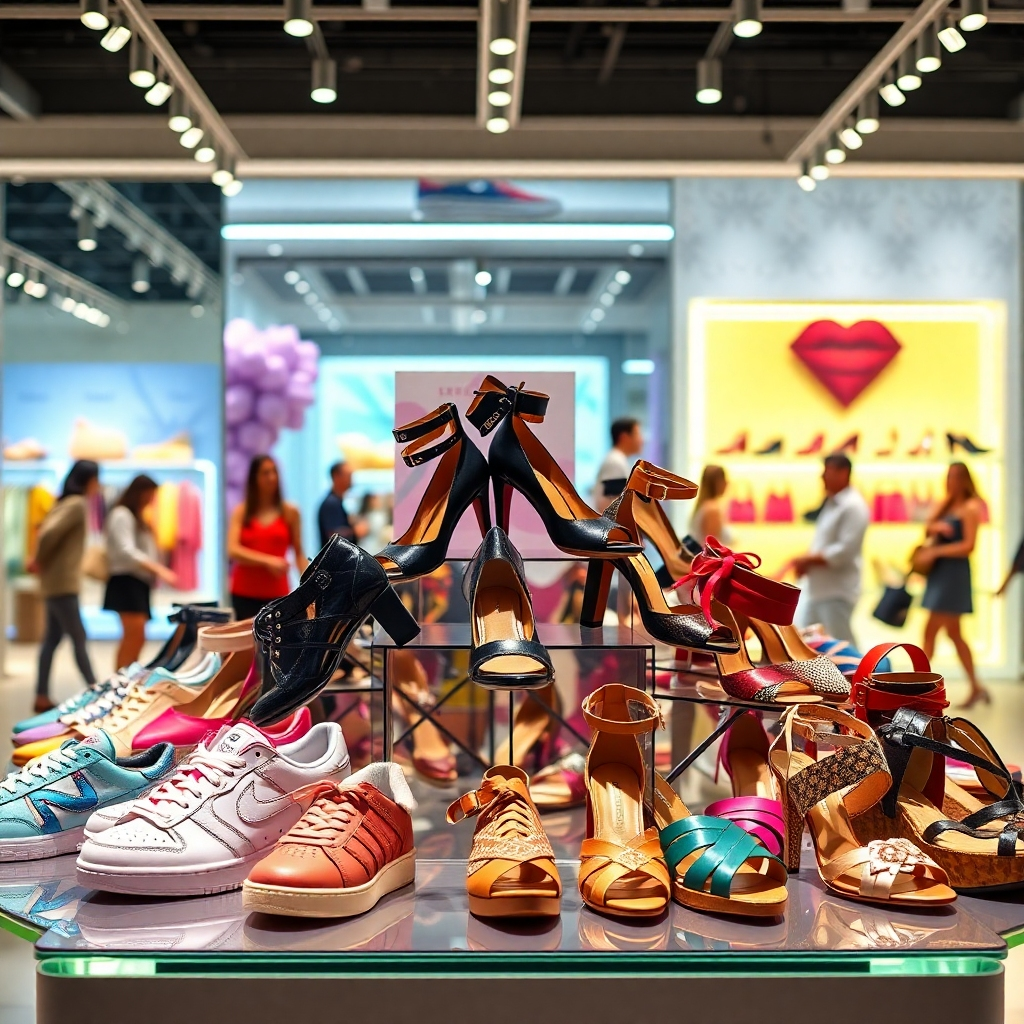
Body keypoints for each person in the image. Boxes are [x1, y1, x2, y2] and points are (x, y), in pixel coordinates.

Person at [29, 460, 100, 712]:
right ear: (89, 480)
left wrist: (40, 560)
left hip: (55, 582)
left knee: (52, 639)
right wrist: (38, 559)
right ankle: (96, 691)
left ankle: (41, 695)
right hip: (62, 583)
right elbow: (48, 534)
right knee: (78, 636)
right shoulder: (77, 504)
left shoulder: (64, 502)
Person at [918, 461, 988, 708]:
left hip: (954, 574)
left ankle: (917, 689)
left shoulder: (970, 507)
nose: (952, 480)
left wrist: (937, 552)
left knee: (933, 631)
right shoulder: (946, 504)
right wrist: (936, 526)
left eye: (956, 476)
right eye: (949, 475)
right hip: (941, 574)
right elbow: (927, 528)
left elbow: (969, 545)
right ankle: (976, 686)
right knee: (954, 634)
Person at [785, 453, 869, 646]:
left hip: (837, 590)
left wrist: (808, 560)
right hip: (820, 588)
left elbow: (844, 552)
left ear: (843, 473)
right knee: (809, 644)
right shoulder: (834, 503)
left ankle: (859, 676)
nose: (822, 477)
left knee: (842, 643)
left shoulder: (853, 506)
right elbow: (824, 544)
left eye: (827, 472)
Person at [104, 474, 177, 670]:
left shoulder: (136, 517)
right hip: (126, 581)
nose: (152, 500)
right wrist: (158, 569)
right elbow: (125, 551)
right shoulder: (122, 514)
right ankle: (119, 681)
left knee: (137, 636)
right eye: (150, 494)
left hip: (136, 582)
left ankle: (125, 680)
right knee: (133, 635)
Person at [228, 454, 308, 621]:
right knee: (246, 644)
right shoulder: (241, 512)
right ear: (254, 478)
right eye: (265, 473)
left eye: (274, 472)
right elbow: (232, 550)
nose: (271, 477)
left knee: (276, 644)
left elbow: (299, 553)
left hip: (277, 595)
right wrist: (268, 561)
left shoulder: (290, 512)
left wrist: (309, 589)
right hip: (243, 593)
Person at [592, 416, 644, 512]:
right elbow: (609, 503)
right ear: (624, 437)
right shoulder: (615, 462)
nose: (642, 440)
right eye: (638, 435)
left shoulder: (618, 460)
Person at [317, 460, 367, 550]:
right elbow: (333, 537)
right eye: (348, 476)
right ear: (336, 476)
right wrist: (355, 532)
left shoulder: (336, 502)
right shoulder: (331, 504)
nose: (351, 480)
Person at [689, 464, 732, 545]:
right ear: (717, 482)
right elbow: (712, 547)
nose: (727, 483)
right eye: (724, 479)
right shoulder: (712, 509)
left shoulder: (703, 505)